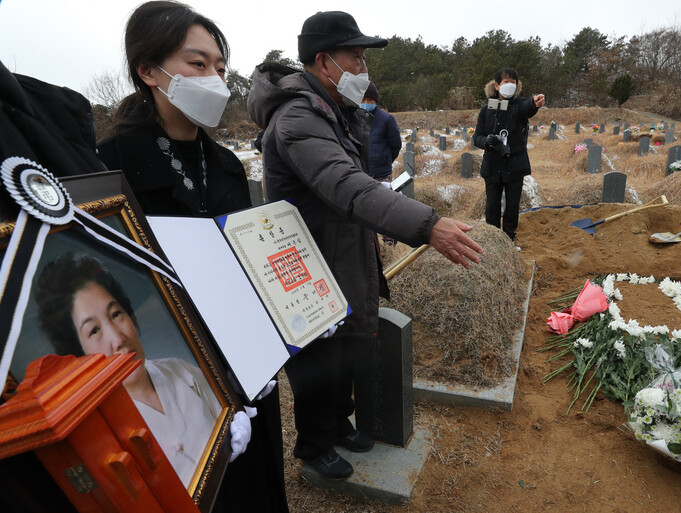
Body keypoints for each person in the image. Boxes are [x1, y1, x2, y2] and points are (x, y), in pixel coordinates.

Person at [248, 10, 483, 481]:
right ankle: (314, 444)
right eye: (355, 58)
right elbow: (348, 185)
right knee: (317, 355)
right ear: (324, 62)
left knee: (345, 348)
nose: (363, 68)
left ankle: (338, 423)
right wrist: (427, 224)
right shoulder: (297, 118)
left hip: (339, 250)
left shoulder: (332, 109)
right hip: (308, 260)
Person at [96, 2, 288, 512]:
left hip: (246, 359)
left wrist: (289, 311)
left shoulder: (223, 163)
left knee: (261, 484)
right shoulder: (110, 169)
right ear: (148, 70)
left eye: (221, 68)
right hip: (184, 371)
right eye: (197, 64)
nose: (216, 80)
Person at [34, 253, 221, 487]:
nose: (118, 339)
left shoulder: (181, 370)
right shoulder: (99, 439)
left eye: (116, 314)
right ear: (78, 353)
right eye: (94, 330)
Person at [472, 68, 545, 244]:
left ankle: (510, 239)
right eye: (506, 82)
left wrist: (534, 103)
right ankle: (493, 240)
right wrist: (486, 142)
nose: (510, 85)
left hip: (514, 165)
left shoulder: (519, 105)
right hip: (492, 165)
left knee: (512, 206)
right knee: (492, 207)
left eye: (514, 82)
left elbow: (527, 108)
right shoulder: (486, 109)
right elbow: (477, 137)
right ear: (497, 85)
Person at [361, 81, 401, 184]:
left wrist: (384, 161)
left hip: (381, 174)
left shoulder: (386, 119)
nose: (365, 103)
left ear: (375, 101)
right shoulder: (355, 117)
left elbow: (395, 145)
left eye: (369, 100)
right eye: (363, 99)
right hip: (360, 173)